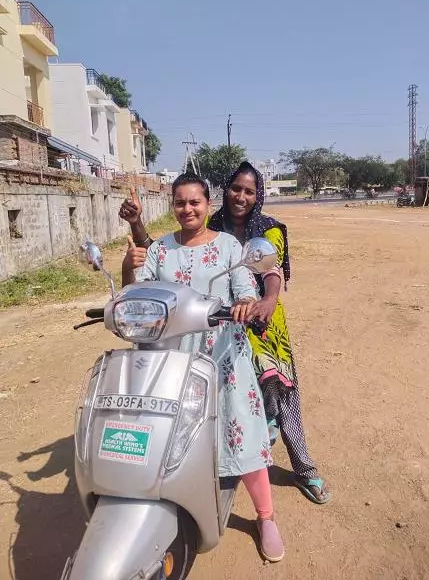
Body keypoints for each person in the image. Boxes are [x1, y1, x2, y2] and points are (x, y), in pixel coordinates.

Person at [120, 168, 330, 504]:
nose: (241, 197)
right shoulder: (212, 224)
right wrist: (135, 229)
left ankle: (302, 469)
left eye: (249, 191)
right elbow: (158, 258)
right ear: (224, 192)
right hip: (191, 338)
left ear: (257, 194)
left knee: (278, 394)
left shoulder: (267, 229)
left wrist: (262, 301)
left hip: (256, 323)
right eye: (236, 189)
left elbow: (269, 271)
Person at [122, 173, 284, 563]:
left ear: (207, 204)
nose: (187, 209)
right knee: (169, 435)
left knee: (241, 431)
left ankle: (266, 517)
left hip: (225, 356)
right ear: (173, 206)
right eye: (180, 203)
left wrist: (246, 302)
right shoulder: (160, 249)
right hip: (173, 357)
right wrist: (128, 265)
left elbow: (244, 285)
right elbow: (135, 292)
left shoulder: (229, 245)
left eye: (194, 202)